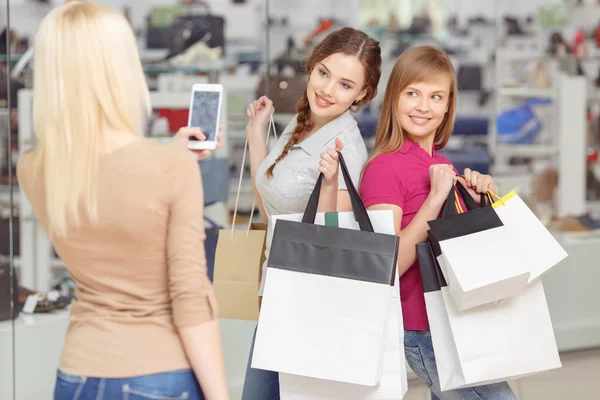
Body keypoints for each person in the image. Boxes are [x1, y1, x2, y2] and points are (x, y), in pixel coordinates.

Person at [16, 2, 228, 399]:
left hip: (76, 373)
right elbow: (189, 298)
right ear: (119, 69)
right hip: (158, 373)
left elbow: (105, 194)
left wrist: (166, 154)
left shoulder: (33, 168)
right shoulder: (169, 167)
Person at [359, 45, 517, 400]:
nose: (423, 106)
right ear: (394, 98)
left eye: (435, 96)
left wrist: (476, 200)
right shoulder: (384, 168)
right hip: (423, 327)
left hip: (454, 319)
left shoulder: (441, 163)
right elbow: (388, 265)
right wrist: (435, 199)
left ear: (448, 105)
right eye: (412, 93)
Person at [241, 27, 382, 400]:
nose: (326, 90)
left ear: (362, 94)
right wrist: (256, 133)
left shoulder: (345, 150)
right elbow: (271, 205)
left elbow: (329, 241)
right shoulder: (304, 122)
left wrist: (333, 185)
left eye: (344, 85)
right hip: (278, 294)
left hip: (309, 308)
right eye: (323, 73)